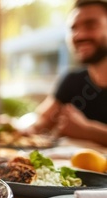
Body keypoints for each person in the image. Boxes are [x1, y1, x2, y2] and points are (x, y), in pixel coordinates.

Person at [28, 0, 107, 146]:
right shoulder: (72, 80)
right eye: (73, 28)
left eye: (91, 25)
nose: (79, 35)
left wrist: (88, 130)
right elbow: (44, 120)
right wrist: (14, 128)